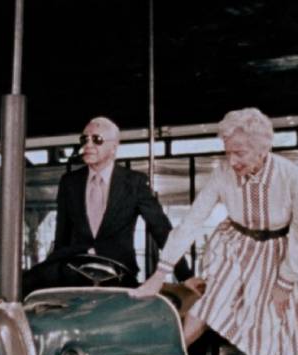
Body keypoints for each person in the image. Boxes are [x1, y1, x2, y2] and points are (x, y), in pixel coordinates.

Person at [131, 107, 298, 355]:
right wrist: (161, 272)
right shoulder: (222, 172)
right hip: (236, 247)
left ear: (263, 149)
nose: (232, 160)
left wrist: (285, 282)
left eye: (240, 153)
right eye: (228, 151)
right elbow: (191, 222)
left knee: (271, 346)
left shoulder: (290, 176)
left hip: (279, 256)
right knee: (202, 311)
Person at [24, 116, 191, 295]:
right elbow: (62, 235)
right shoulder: (69, 182)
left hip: (117, 270)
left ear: (113, 147)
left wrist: (185, 276)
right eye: (84, 139)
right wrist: (51, 270)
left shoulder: (134, 183)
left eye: (97, 139)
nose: (88, 145)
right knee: (21, 286)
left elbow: (161, 230)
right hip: (74, 266)